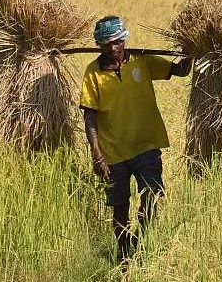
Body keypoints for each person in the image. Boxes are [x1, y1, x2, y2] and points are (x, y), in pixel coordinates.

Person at [79, 15, 192, 263]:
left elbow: (180, 71)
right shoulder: (93, 74)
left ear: (124, 40)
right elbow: (90, 118)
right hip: (113, 154)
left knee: (151, 196)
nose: (114, 48)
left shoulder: (142, 61)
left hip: (146, 146)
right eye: (107, 44)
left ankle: (140, 243)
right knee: (119, 208)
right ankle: (123, 252)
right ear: (99, 45)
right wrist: (97, 155)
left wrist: (193, 48)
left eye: (117, 42)